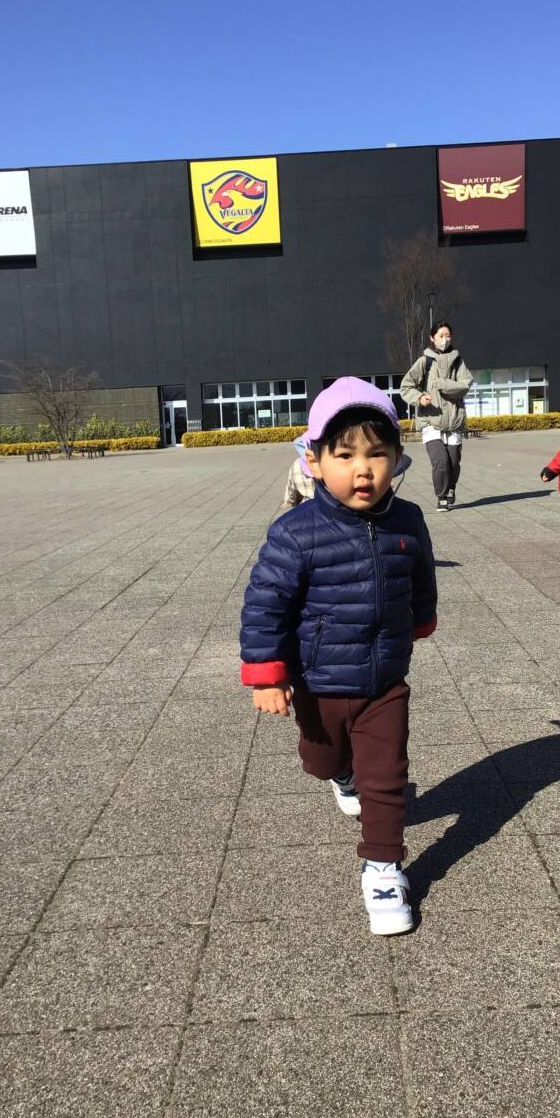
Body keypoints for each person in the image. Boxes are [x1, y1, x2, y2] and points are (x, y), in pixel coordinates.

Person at [240, 377, 438, 936]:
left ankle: (383, 868)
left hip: (385, 679)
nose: (363, 470)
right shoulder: (295, 532)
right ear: (315, 460)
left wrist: (421, 620)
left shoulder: (408, 520)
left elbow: (421, 576)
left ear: (397, 458)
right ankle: (341, 775)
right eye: (346, 455)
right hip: (318, 678)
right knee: (321, 760)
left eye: (377, 454)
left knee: (387, 776)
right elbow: (265, 604)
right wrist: (267, 675)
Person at [400, 322, 473, 512]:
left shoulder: (458, 360)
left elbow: (465, 385)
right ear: (432, 338)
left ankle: (451, 486)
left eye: (448, 335)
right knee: (440, 460)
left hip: (454, 420)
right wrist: (419, 397)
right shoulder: (425, 361)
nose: (444, 339)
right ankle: (442, 496)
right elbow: (406, 386)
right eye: (441, 335)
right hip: (430, 421)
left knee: (453, 462)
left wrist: (443, 384)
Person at [281, 438, 316, 509]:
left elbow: (291, 489)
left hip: (306, 506)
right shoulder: (329, 463)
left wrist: (289, 501)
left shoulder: (297, 464)